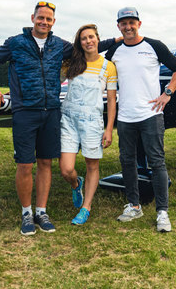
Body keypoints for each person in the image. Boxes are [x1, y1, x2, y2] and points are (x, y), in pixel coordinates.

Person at [0, 2, 117, 236]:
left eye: (48, 19)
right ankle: (26, 213)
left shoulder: (59, 45)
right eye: (40, 18)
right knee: (25, 164)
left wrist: (117, 41)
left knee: (46, 163)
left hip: (51, 112)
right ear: (32, 18)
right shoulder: (15, 42)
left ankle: (41, 211)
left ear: (53, 22)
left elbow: (87, 47)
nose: (44, 22)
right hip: (25, 111)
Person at [104, 7, 176, 233]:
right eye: (123, 23)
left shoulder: (154, 45)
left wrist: (167, 94)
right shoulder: (115, 50)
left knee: (157, 161)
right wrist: (112, 40)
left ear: (139, 23)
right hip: (126, 116)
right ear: (118, 26)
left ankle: (162, 212)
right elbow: (95, 60)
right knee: (127, 161)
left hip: (151, 115)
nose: (128, 27)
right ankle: (134, 206)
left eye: (132, 22)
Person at [59, 24, 117, 226]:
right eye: (84, 38)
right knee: (66, 169)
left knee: (92, 164)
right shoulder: (71, 64)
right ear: (79, 43)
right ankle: (76, 183)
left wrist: (108, 129)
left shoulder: (108, 67)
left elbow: (111, 101)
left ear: (98, 39)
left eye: (91, 37)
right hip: (69, 120)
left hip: (92, 122)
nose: (88, 41)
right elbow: (50, 81)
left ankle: (86, 207)